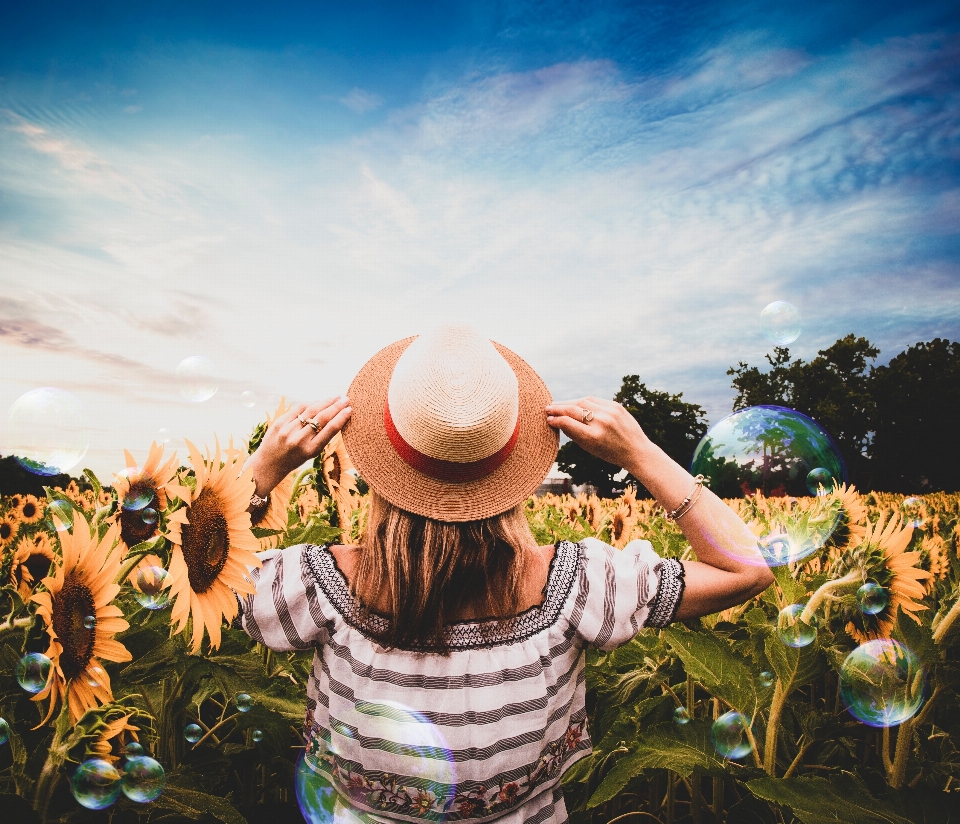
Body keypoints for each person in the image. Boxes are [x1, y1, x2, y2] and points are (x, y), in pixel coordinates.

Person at [238, 325, 773, 824]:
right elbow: (746, 569)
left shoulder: (315, 585)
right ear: (512, 466)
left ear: (384, 464)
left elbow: (192, 576)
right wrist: (641, 454)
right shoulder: (579, 584)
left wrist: (260, 474)